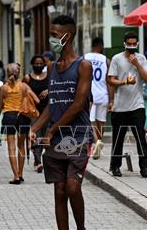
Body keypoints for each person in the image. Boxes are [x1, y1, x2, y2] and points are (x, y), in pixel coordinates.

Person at [30, 15, 93, 230]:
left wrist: (51, 130)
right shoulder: (53, 67)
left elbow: (77, 105)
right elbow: (53, 103)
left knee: (73, 188)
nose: (51, 39)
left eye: (54, 35)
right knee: (59, 191)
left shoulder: (83, 66)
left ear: (67, 36)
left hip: (78, 136)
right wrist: (36, 128)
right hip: (56, 139)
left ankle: (81, 228)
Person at [107, 32, 147, 176]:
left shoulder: (141, 58)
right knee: (118, 138)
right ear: (125, 44)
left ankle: (144, 167)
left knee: (140, 137)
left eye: (134, 44)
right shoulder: (117, 59)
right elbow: (110, 80)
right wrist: (124, 82)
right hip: (120, 106)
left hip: (137, 105)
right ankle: (115, 166)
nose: (132, 46)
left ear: (137, 44)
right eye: (129, 44)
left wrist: (137, 64)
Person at [0, 63, 37, 184]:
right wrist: (25, 98)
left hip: (9, 116)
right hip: (22, 117)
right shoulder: (24, 86)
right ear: (19, 73)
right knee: (21, 146)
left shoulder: (3, 88)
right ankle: (21, 173)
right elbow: (36, 99)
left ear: (7, 73)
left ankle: (15, 176)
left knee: (11, 147)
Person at [84, 37, 109, 160]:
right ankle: (99, 141)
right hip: (103, 93)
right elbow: (109, 81)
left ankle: (95, 144)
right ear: (101, 46)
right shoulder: (106, 60)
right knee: (101, 121)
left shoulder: (85, 57)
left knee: (90, 121)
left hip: (90, 94)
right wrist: (112, 99)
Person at [24, 54, 49, 172]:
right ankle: (38, 160)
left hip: (47, 111)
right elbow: (23, 90)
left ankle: (40, 157)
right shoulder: (28, 78)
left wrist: (48, 91)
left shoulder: (48, 77)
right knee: (35, 135)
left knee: (45, 135)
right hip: (33, 111)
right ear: (32, 64)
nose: (38, 65)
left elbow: (55, 88)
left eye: (41, 63)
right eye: (36, 63)